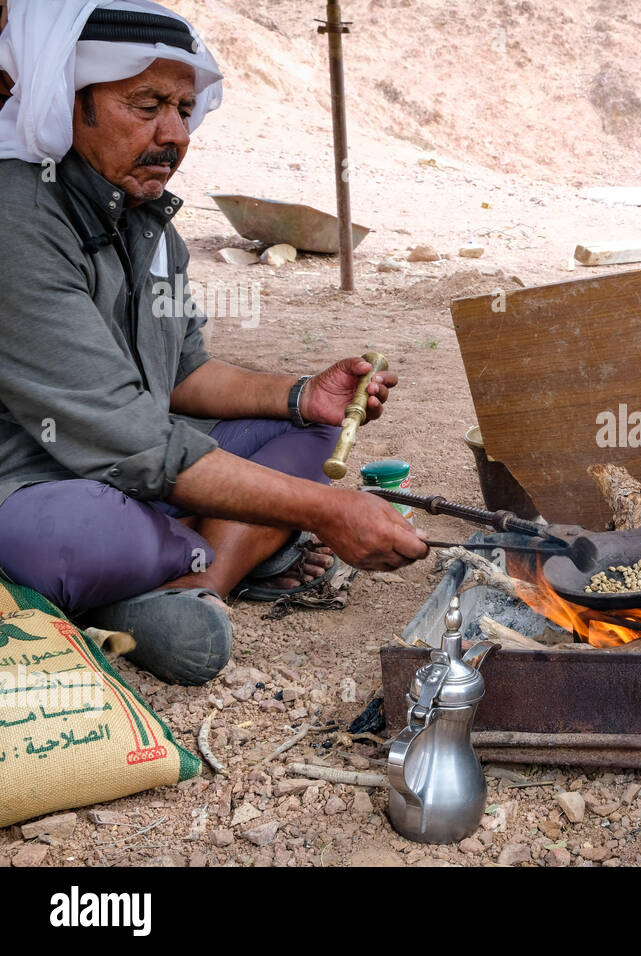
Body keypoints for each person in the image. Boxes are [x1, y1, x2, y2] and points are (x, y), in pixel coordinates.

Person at [0, 0, 429, 685]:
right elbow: (128, 440)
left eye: (183, 108)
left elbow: (184, 373)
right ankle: (211, 558)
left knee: (314, 438)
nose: (174, 133)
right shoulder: (16, 219)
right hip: (37, 485)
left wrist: (301, 396)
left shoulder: (152, 226)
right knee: (79, 539)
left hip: (142, 473)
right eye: (146, 106)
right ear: (67, 101)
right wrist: (326, 512)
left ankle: (195, 587)